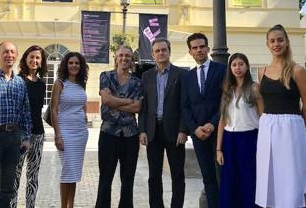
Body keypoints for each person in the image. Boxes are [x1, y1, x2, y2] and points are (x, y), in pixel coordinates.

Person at [256, 24, 306, 208]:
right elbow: (262, 101)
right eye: (272, 41)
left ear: (287, 42)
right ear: (267, 44)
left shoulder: (297, 71)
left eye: (280, 40)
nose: (276, 44)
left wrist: (298, 124)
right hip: (267, 125)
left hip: (291, 126)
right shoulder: (262, 71)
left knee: (290, 172)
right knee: (268, 170)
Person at [139, 38, 188, 208]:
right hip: (153, 132)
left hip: (175, 133)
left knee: (177, 175)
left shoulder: (181, 74)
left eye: (163, 50)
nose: (161, 53)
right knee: (154, 175)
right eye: (157, 51)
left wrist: (183, 130)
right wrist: (142, 130)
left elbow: (185, 105)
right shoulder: (146, 76)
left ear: (169, 51)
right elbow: (143, 106)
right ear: (153, 55)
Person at [181, 32, 226, 208]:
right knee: (207, 177)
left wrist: (213, 124)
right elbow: (185, 106)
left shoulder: (222, 70)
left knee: (223, 174)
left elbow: (226, 101)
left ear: (207, 48)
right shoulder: (187, 77)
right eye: (195, 48)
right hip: (198, 135)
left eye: (201, 46)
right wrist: (195, 129)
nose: (199, 50)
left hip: (219, 132)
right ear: (190, 51)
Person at [95, 45, 143, 208]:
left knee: (128, 179)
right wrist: (128, 101)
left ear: (131, 60)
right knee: (105, 178)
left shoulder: (137, 81)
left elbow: (138, 108)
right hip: (108, 134)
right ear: (116, 58)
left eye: (128, 56)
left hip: (130, 136)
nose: (124, 58)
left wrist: (115, 102)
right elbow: (106, 101)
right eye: (121, 55)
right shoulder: (106, 76)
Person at [0, 41, 32, 208]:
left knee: (7, 186)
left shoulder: (20, 82)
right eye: (5, 52)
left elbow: (25, 112)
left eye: (12, 52)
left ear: (16, 56)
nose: (9, 55)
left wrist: (26, 138)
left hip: (14, 137)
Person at [216, 53, 263, 208]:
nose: (238, 68)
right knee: (229, 179)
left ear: (247, 66)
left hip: (250, 139)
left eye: (241, 64)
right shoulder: (227, 90)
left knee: (248, 178)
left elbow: (263, 117)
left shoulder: (255, 88)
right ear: (230, 68)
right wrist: (219, 149)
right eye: (234, 64)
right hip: (229, 140)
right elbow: (222, 120)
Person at [51, 52, 90, 208]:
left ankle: (71, 205)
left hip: (80, 132)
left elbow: (82, 103)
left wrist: (85, 115)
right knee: (67, 170)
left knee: (74, 172)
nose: (74, 66)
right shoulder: (59, 83)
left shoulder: (81, 84)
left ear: (81, 66)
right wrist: (57, 135)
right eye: (71, 63)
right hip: (65, 132)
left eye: (77, 63)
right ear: (66, 65)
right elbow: (54, 110)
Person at [10, 46, 48, 208]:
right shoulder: (17, 80)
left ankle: (30, 205)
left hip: (38, 134)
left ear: (41, 62)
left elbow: (38, 108)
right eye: (31, 57)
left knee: (33, 175)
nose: (34, 60)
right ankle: (11, 205)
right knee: (15, 174)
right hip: (20, 135)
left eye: (38, 58)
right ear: (25, 59)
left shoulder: (41, 84)